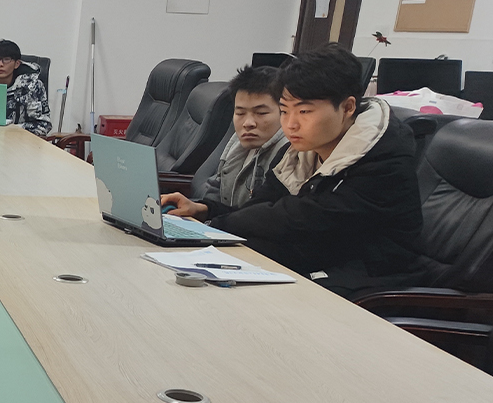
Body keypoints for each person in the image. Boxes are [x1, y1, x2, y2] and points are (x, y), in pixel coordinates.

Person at [162, 44, 423, 295]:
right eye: (285, 111)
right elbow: (260, 208)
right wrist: (206, 210)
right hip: (315, 258)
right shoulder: (302, 151)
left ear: (347, 108)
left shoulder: (383, 160)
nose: (291, 124)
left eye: (304, 111)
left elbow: (301, 219)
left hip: (371, 279)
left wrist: (216, 225)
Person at [161, 65, 289, 210]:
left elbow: (262, 216)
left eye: (261, 113)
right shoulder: (236, 144)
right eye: (240, 113)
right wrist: (200, 209)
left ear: (285, 112)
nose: (248, 123)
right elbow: (217, 194)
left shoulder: (289, 156)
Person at [0, 40, 51, 136]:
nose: (0, 64)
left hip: (19, 140)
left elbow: (43, 125)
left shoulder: (32, 86)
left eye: (6, 59)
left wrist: (7, 131)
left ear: (17, 64)